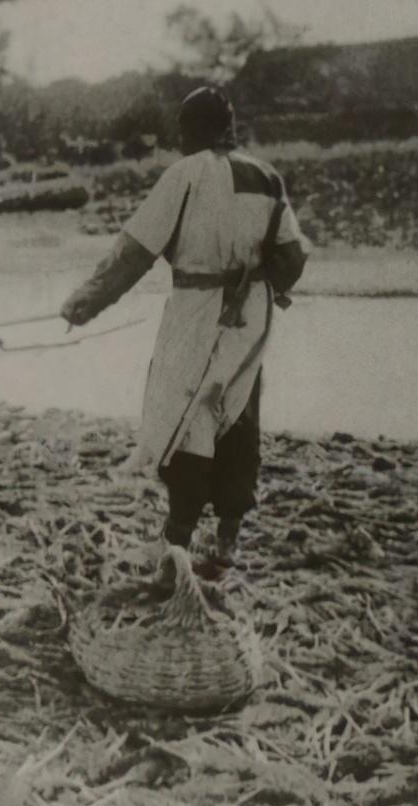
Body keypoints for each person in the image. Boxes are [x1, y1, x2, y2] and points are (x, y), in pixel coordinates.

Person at [60, 86, 310, 561]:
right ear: (230, 127)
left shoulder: (186, 175)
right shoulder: (267, 174)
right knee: (238, 410)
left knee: (186, 411)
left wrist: (85, 302)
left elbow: (133, 255)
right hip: (251, 314)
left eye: (182, 130)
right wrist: (257, 285)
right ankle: (228, 537)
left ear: (191, 129)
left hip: (198, 309)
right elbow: (293, 257)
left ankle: (176, 537)